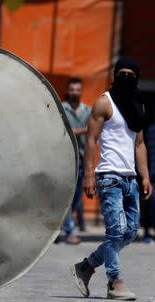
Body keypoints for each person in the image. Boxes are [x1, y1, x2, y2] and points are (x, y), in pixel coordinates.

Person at [71, 56, 152, 300]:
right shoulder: (104, 103)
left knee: (130, 233)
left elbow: (139, 144)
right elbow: (91, 140)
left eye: (131, 74)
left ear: (137, 78)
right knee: (115, 231)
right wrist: (89, 175)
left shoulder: (139, 107)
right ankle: (115, 282)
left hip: (130, 179)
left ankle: (86, 267)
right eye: (122, 73)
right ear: (114, 76)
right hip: (108, 177)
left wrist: (145, 176)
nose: (126, 77)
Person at [61, 77, 91, 244]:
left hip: (83, 160)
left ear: (81, 91)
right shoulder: (62, 108)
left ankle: (65, 226)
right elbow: (64, 131)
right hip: (67, 161)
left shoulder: (88, 110)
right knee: (67, 197)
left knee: (76, 198)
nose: (75, 93)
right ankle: (70, 231)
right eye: (72, 90)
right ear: (68, 91)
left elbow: (94, 134)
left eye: (77, 90)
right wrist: (84, 130)